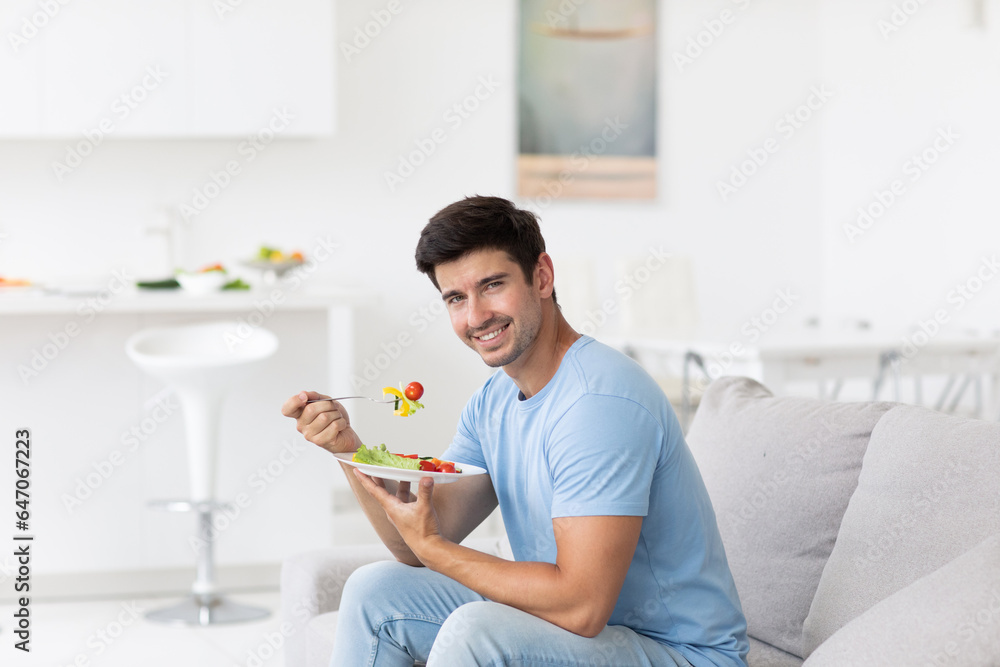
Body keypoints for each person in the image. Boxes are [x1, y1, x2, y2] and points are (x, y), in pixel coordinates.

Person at [282, 196, 748, 667]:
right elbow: (415, 543)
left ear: (542, 277)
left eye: (492, 285)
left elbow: (582, 607)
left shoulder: (598, 404)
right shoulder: (493, 402)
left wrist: (435, 548)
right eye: (456, 298)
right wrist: (348, 450)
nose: (476, 316)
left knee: (477, 632)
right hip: (581, 633)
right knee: (376, 589)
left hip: (679, 654)